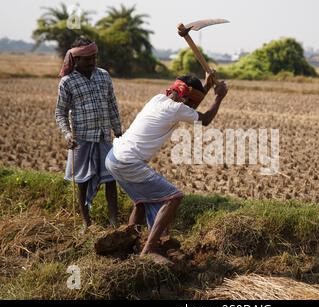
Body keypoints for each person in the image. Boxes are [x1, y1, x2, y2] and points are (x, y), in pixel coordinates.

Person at [105, 73, 228, 260]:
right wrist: (218, 97)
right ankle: (149, 250)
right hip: (128, 161)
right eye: (191, 102)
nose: (191, 106)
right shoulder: (176, 109)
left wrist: (206, 86)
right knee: (174, 197)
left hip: (113, 157)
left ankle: (128, 243)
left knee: (141, 203)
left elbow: (189, 104)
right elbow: (204, 119)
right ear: (185, 98)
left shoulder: (159, 99)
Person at [55, 37, 122, 231]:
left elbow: (112, 105)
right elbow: (60, 112)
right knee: (82, 181)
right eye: (87, 59)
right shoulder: (67, 82)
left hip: (104, 136)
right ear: (76, 60)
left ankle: (113, 221)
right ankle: (86, 221)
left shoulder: (103, 76)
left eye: (94, 57)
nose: (92, 62)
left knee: (111, 179)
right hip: (81, 139)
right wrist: (67, 134)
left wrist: (118, 131)